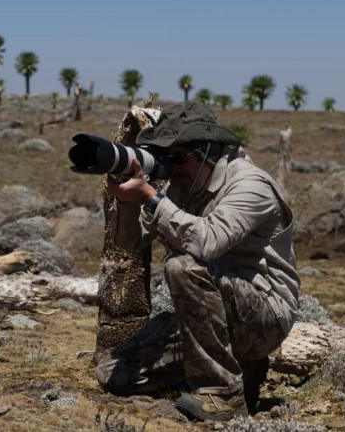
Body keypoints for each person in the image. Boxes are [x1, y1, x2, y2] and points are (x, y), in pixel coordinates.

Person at [95, 101, 300, 423]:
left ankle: (225, 394)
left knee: (183, 266)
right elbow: (130, 242)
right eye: (165, 158)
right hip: (213, 312)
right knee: (114, 375)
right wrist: (126, 200)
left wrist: (151, 196)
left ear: (207, 150)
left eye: (178, 159)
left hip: (264, 315)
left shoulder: (249, 184)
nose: (171, 169)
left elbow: (206, 242)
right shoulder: (187, 184)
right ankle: (237, 368)